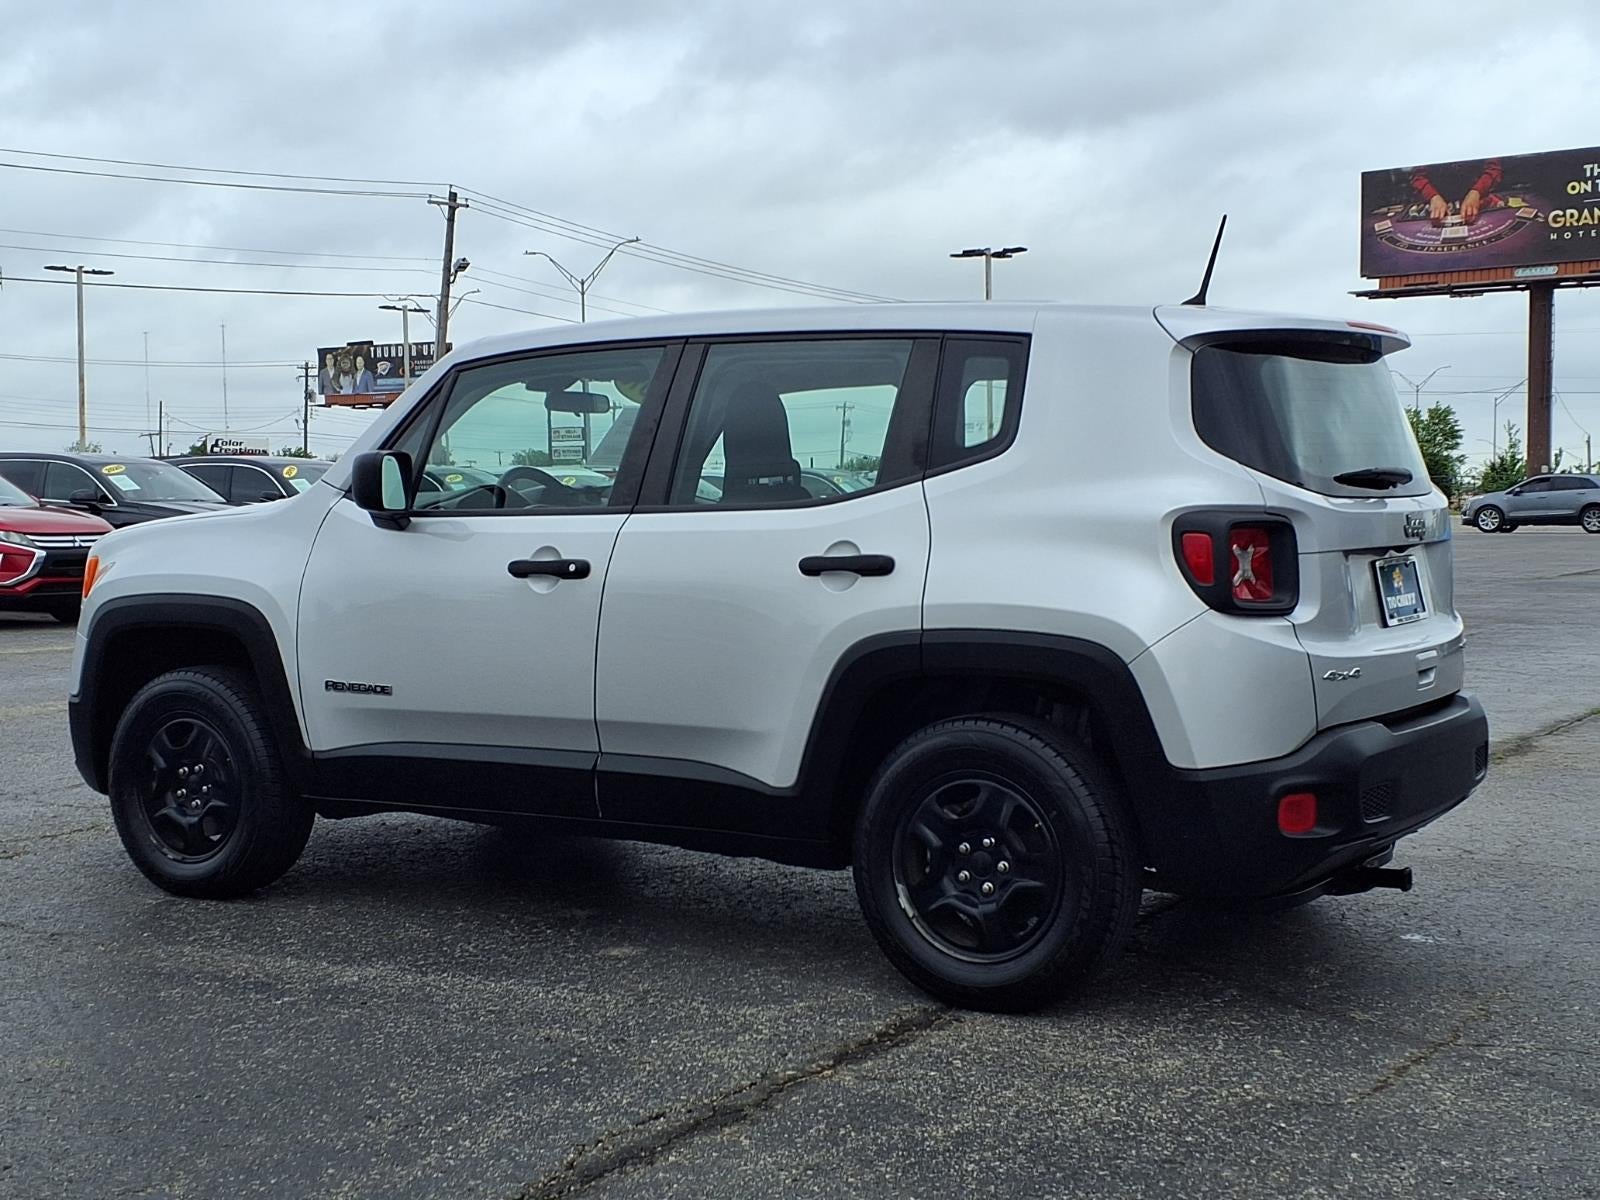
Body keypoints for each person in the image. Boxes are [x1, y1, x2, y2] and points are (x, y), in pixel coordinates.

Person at [1410, 159, 1502, 224]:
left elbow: (1493, 169)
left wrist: (1476, 192)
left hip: (1479, 203)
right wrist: (1433, 197)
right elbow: (1418, 177)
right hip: (1437, 207)